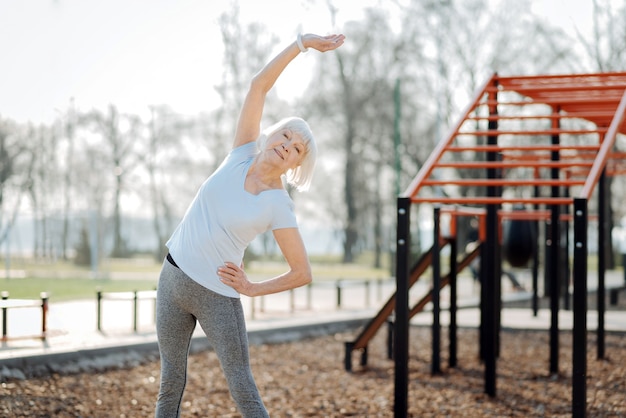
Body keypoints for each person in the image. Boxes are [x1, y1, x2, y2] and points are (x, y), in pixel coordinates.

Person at [155, 32, 346, 417]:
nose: (286, 144)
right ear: (272, 132)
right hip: (172, 280)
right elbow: (259, 84)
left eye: (296, 148)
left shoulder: (279, 204)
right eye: (286, 134)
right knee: (170, 382)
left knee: (243, 387)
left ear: (295, 165)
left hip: (218, 296)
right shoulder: (242, 151)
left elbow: (302, 272)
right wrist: (302, 44)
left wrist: (253, 289)